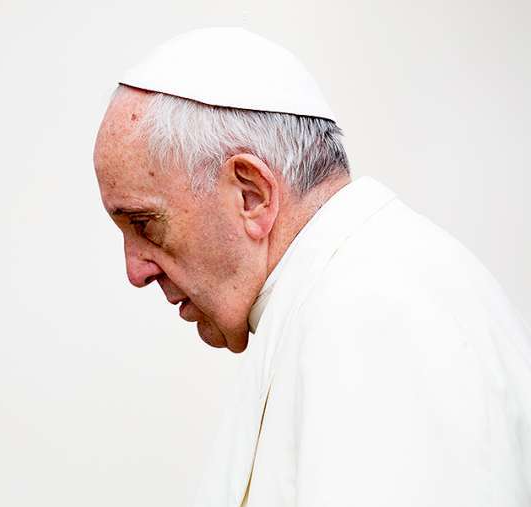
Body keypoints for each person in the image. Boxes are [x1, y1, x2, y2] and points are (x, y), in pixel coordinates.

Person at [92, 27, 531, 507]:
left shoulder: (379, 307)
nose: (136, 271)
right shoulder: (322, 300)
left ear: (251, 195)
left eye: (143, 223)